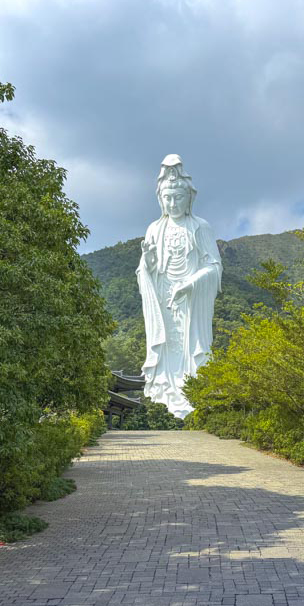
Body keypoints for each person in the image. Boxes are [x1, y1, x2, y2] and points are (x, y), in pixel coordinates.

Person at [136, 155, 222, 418]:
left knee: (190, 349)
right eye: (167, 198)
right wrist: (148, 262)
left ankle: (192, 396)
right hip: (163, 298)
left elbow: (215, 267)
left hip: (191, 301)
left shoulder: (200, 227)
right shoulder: (154, 228)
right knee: (166, 349)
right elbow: (144, 269)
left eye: (178, 198)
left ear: (189, 198)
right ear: (160, 199)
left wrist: (190, 284)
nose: (172, 203)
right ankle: (163, 396)